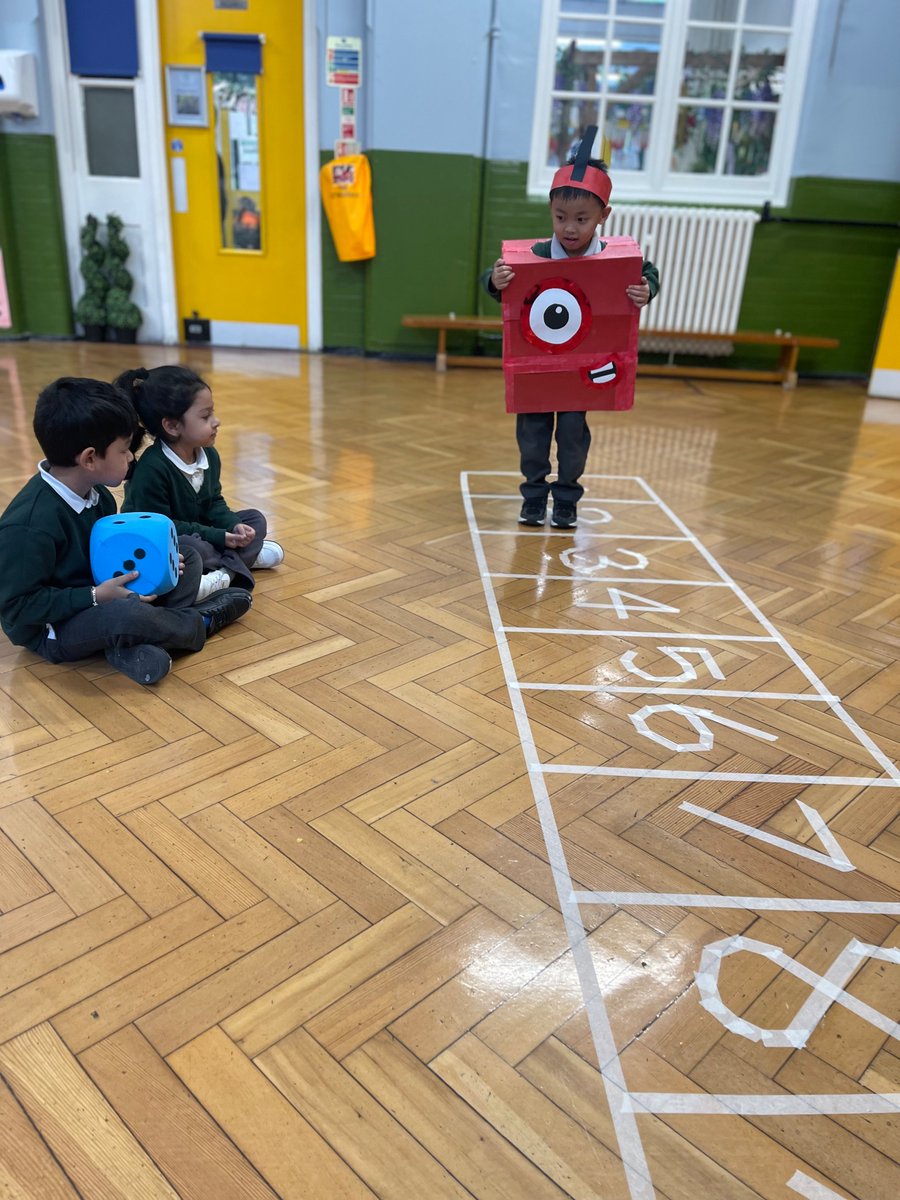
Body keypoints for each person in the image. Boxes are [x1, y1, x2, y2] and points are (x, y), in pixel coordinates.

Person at [0, 377, 252, 686]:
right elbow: (17, 607)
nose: (132, 457)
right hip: (53, 628)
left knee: (184, 555)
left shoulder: (99, 494)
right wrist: (95, 596)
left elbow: (114, 556)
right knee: (125, 616)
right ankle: (199, 622)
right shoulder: (28, 526)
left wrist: (157, 564)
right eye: (123, 450)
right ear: (90, 458)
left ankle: (130, 645)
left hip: (104, 592)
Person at [482, 130, 660, 528]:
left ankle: (566, 498)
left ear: (603, 217)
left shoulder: (612, 256)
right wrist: (496, 280)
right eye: (561, 218)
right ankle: (533, 495)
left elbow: (646, 273)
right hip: (537, 367)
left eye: (582, 219)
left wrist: (646, 289)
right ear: (550, 211)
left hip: (583, 370)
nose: (570, 228)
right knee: (532, 433)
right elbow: (495, 282)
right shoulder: (537, 254)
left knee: (574, 436)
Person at [116, 365, 283, 600]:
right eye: (205, 416)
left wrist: (234, 526)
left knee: (255, 519)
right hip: (164, 539)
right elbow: (166, 528)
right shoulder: (153, 468)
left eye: (212, 413)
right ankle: (239, 562)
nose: (217, 421)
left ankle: (224, 571)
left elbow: (214, 502)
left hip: (200, 530)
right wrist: (219, 537)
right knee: (193, 549)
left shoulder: (208, 455)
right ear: (172, 426)